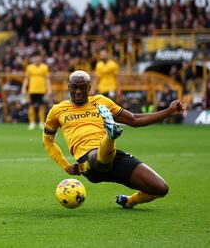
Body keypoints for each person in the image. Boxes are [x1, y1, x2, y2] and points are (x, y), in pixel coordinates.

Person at [42, 71, 184, 209]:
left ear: (89, 87)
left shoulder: (101, 102)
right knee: (96, 158)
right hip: (88, 162)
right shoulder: (57, 110)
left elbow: (134, 119)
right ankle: (110, 135)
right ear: (69, 87)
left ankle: (129, 201)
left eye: (82, 87)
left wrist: (169, 111)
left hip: (112, 156)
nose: (78, 91)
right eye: (74, 87)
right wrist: (65, 166)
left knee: (160, 188)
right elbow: (48, 141)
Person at [21, 55, 52, 130]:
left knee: (41, 106)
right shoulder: (29, 67)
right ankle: (32, 123)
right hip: (32, 90)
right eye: (36, 58)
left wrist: (49, 89)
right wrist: (24, 88)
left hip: (42, 90)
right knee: (31, 106)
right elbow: (26, 79)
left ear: (40, 59)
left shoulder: (44, 67)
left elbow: (47, 79)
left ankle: (41, 122)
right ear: (34, 59)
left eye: (38, 58)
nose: (37, 60)